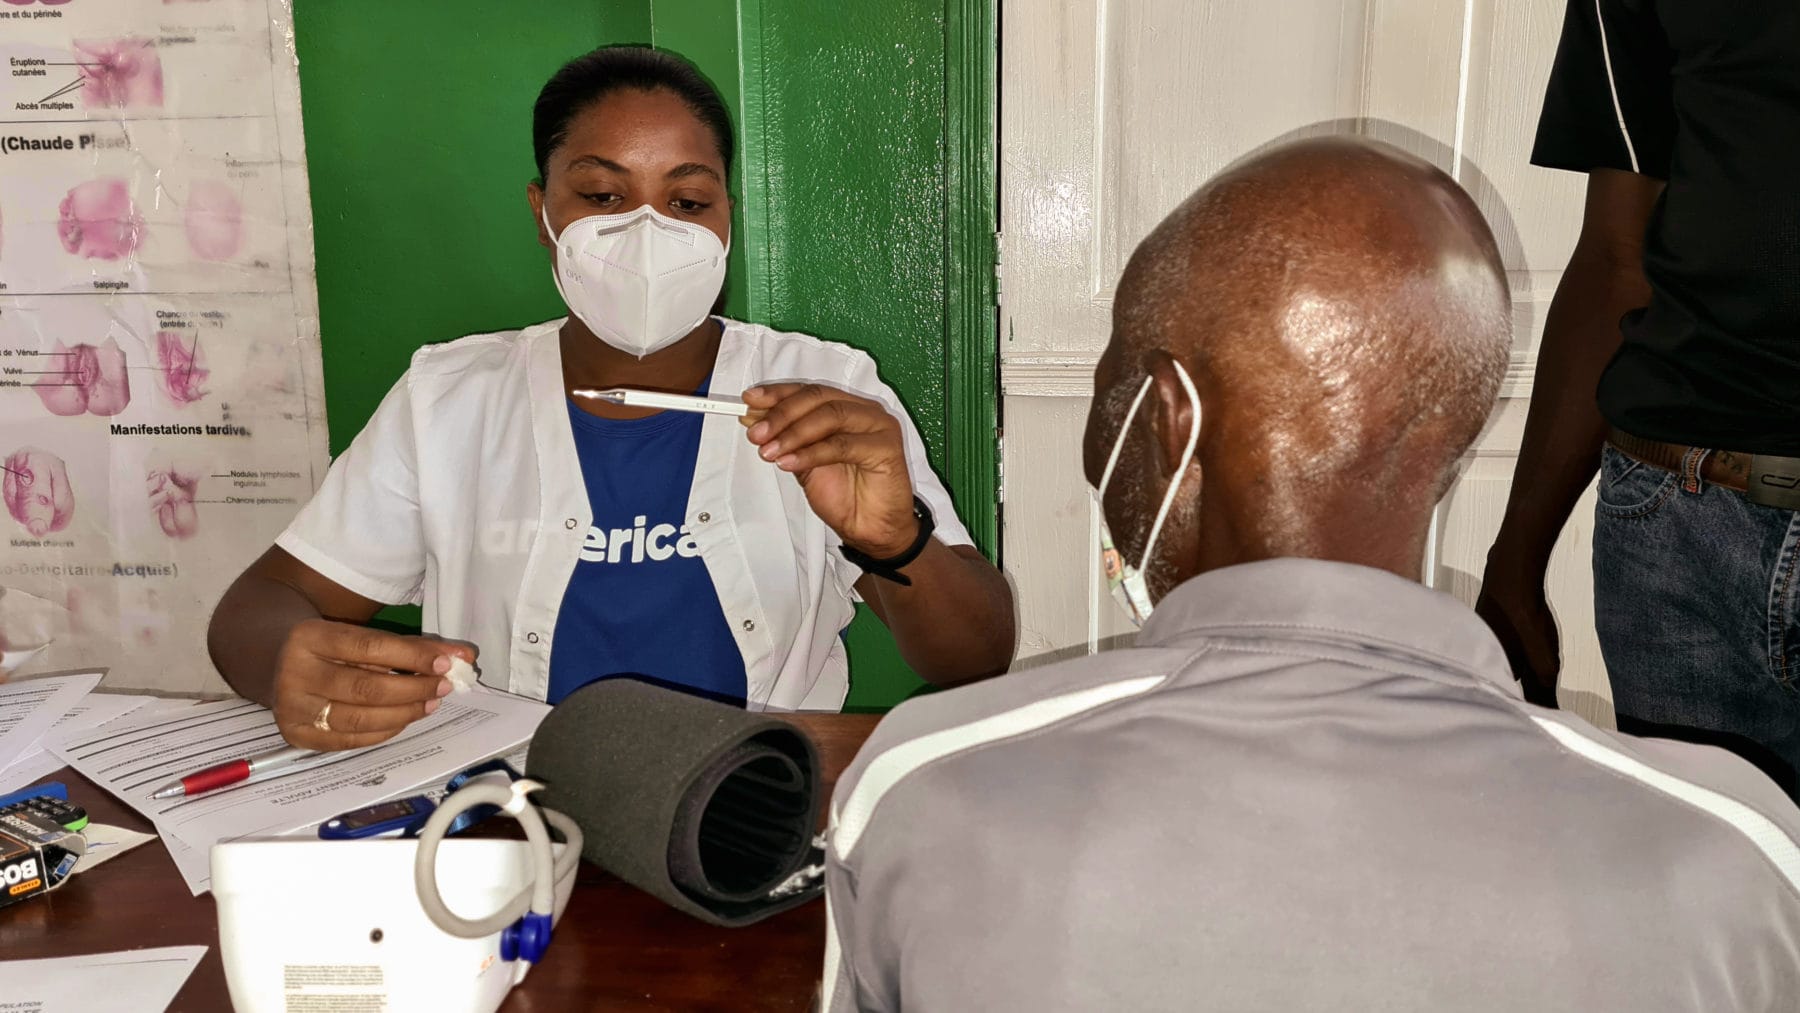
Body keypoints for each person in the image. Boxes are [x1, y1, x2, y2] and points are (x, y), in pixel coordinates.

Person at [819, 137, 1800, 1011]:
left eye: (1106, 382)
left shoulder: (929, 789)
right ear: (1444, 441)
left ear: (1167, 414)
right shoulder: (1733, 850)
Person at [207, 45, 1014, 751]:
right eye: (602, 196)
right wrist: (292, 659)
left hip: (755, 820)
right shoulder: (450, 400)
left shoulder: (826, 392)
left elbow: (977, 655)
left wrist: (894, 540)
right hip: (510, 825)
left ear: (728, 217)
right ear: (543, 213)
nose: (647, 232)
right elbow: (257, 607)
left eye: (688, 201)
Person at [1475, 1, 1800, 796]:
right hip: (1682, 528)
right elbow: (1617, 252)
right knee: (1698, 905)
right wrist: (1517, 558)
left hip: (1684, 517)